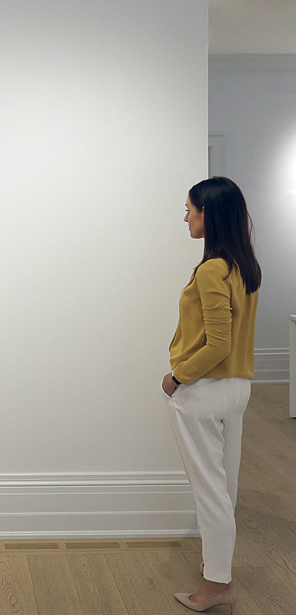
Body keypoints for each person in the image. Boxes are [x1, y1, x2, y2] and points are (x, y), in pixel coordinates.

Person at [162, 176, 261, 614]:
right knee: (226, 486)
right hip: (237, 389)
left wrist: (178, 376)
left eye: (189, 209)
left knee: (210, 491)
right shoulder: (244, 266)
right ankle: (217, 571)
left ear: (209, 214)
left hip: (204, 391)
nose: (185, 216)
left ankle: (216, 585)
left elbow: (217, 343)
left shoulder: (210, 269)